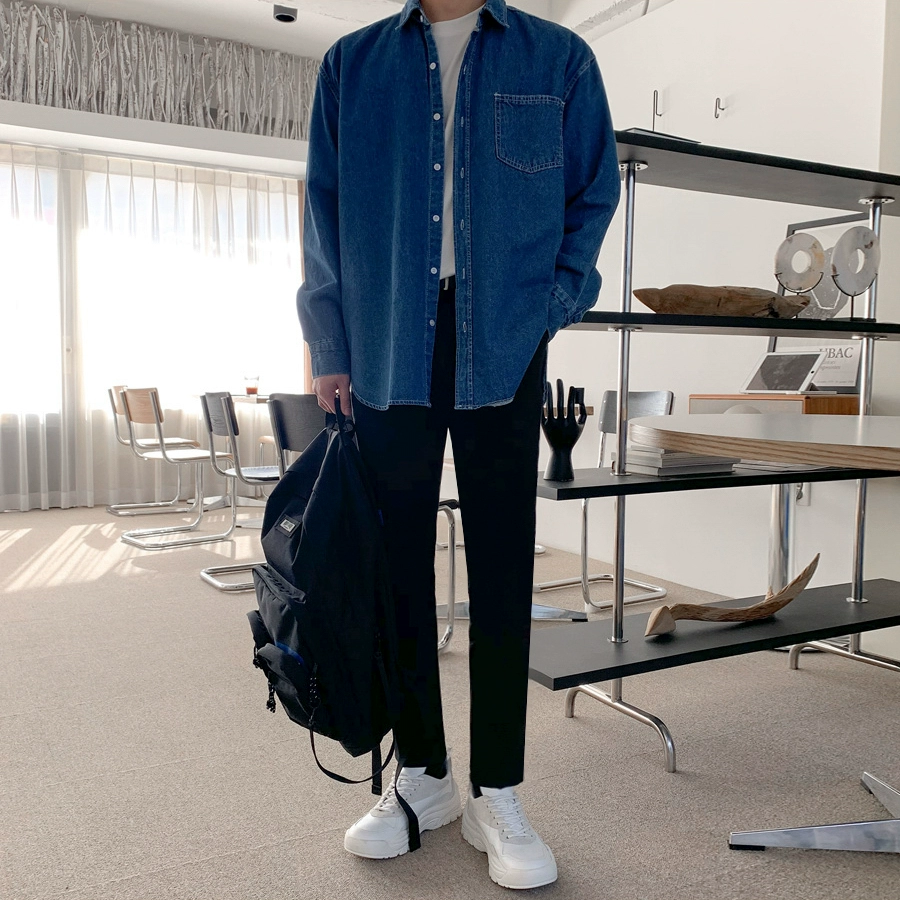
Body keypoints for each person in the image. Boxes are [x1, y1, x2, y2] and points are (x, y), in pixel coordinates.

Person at [297, 0, 619, 889]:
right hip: (386, 338)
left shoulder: (559, 58)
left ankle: (497, 789)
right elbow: (323, 206)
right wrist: (328, 342)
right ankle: (425, 775)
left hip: (504, 340)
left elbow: (593, 192)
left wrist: (550, 306)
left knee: (504, 572)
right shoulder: (352, 65)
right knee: (398, 569)